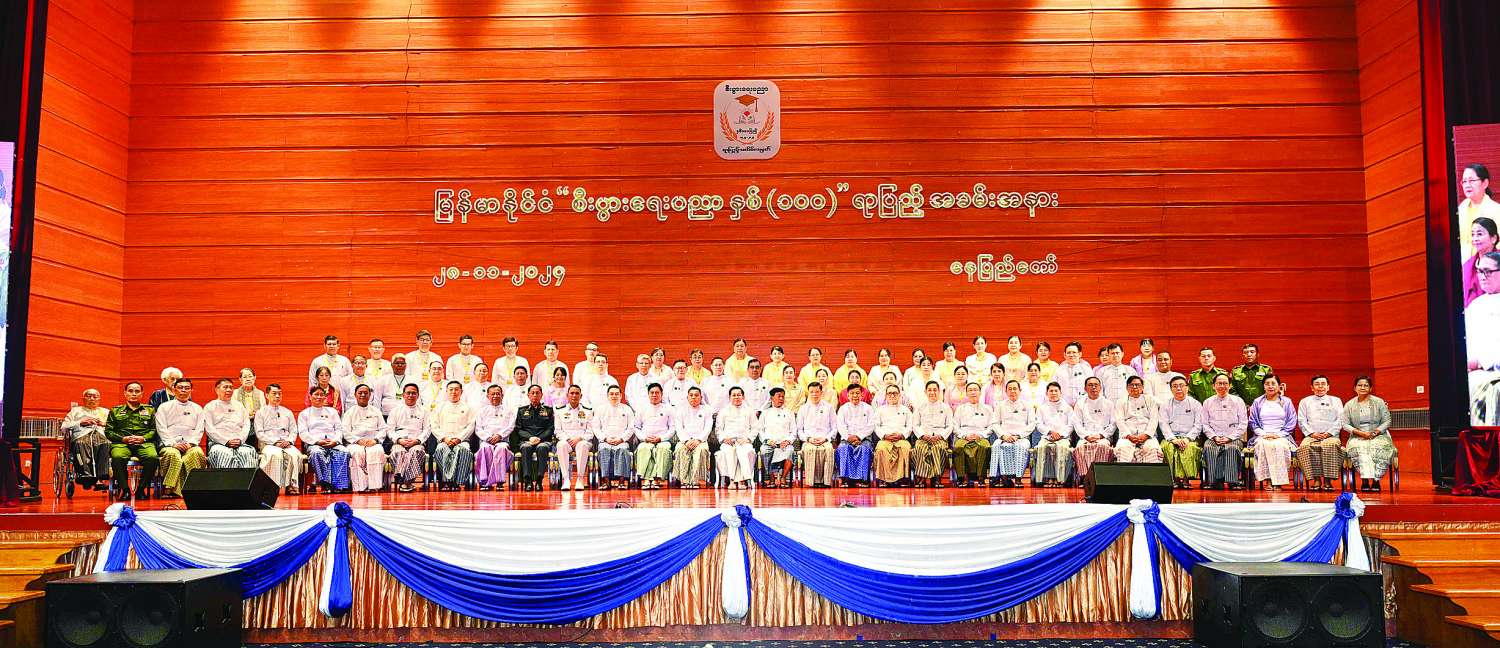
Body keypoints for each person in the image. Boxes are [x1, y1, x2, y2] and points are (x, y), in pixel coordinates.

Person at [105, 382, 159, 500]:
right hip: (122, 443)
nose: (133, 394)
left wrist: (143, 438)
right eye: (130, 391)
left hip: (143, 443)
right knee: (117, 457)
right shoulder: (115, 411)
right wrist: (122, 439)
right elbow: (108, 432)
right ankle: (125, 490)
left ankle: (141, 489)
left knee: (152, 457)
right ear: (125, 393)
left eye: (137, 391)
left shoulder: (150, 410)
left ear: (141, 394)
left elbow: (154, 430)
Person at [155, 378, 207, 498]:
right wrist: (173, 443)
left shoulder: (197, 408)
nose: (183, 390)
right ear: (174, 389)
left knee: (197, 453)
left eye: (187, 388)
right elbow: (161, 428)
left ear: (191, 390)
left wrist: (191, 443)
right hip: (169, 445)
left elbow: (200, 429)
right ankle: (170, 488)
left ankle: (194, 488)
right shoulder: (164, 407)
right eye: (180, 387)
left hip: (190, 445)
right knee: (173, 455)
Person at [1343, 376, 1396, 492]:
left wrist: (1375, 432)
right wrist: (1360, 433)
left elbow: (1387, 421)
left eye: (1366, 385)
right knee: (1359, 448)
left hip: (1378, 434)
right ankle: (1365, 480)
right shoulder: (1349, 404)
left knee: (1378, 447)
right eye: (1360, 385)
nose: (1363, 387)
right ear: (1355, 388)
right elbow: (1345, 424)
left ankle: (1376, 481)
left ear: (1371, 388)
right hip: (1357, 435)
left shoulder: (1379, 402)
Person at [1296, 375, 1345, 491]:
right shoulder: (1305, 401)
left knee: (1330, 445)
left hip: (1331, 435)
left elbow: (1341, 419)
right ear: (1312, 387)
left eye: (1323, 384)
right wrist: (1312, 433)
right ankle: (1316, 479)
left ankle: (1328, 480)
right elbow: (1301, 420)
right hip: (1312, 435)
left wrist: (1329, 433)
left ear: (1328, 387)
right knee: (1304, 447)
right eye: (1317, 384)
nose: (1320, 386)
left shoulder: (1336, 400)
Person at [1201, 373, 1249, 489]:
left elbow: (1243, 423)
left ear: (1230, 385)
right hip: (1214, 437)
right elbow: (1204, 424)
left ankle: (1233, 482)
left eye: (1225, 383)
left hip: (1233, 437)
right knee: (1209, 448)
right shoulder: (1207, 402)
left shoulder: (1238, 401)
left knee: (1231, 448)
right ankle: (1214, 482)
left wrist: (1230, 437)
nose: (1222, 386)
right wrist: (1214, 437)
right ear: (1213, 386)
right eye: (1219, 383)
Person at [1249, 374, 1297, 489]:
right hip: (1262, 435)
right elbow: (1253, 422)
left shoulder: (1286, 402)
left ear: (1279, 386)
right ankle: (1269, 480)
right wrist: (1264, 434)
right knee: (1262, 445)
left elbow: (1292, 421)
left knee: (1280, 446)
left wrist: (1278, 435)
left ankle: (1278, 481)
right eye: (1267, 384)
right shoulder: (1257, 402)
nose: (1270, 386)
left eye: (1273, 383)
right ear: (1263, 386)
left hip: (1282, 435)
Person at [254, 384, 302, 494]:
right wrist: (275, 442)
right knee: (276, 455)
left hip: (286, 443)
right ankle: (273, 487)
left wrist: (289, 441)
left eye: (279, 394)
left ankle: (292, 485)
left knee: (295, 455)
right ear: (267, 395)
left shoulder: (287, 412)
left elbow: (294, 430)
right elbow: (260, 433)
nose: (277, 396)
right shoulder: (261, 412)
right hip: (269, 444)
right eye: (274, 393)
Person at [1159, 376, 1205, 488]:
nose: (1178, 388)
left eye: (1181, 385)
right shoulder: (1165, 405)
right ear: (1171, 389)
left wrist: (1187, 438)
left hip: (1189, 438)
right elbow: (1163, 424)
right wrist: (1173, 439)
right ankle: (1173, 480)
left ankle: (1186, 480)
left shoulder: (1196, 404)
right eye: (1175, 386)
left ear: (1187, 388)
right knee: (1168, 448)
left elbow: (1198, 425)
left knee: (1189, 448)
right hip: (1171, 438)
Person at [428, 381, 476, 490]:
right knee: (441, 450)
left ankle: (457, 482)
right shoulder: (439, 407)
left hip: (462, 441)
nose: (453, 392)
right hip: (444, 440)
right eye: (451, 389)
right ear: (446, 391)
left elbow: (470, 426)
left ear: (461, 391)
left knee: (464, 451)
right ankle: (447, 482)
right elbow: (434, 426)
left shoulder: (468, 408)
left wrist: (459, 439)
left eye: (456, 389)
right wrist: (445, 438)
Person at [62, 389, 111, 489]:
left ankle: (102, 475)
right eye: (89, 396)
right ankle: (85, 475)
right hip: (82, 435)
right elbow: (64, 427)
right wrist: (80, 422)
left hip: (101, 434)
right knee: (81, 443)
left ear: (99, 399)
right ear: (83, 399)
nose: (92, 399)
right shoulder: (75, 411)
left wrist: (104, 424)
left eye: (95, 397)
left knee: (106, 443)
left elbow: (115, 426)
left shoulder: (106, 412)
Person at [341, 384, 387, 492]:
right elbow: (345, 430)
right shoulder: (350, 412)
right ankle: (360, 487)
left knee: (377, 451)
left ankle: (374, 486)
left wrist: (375, 440)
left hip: (373, 442)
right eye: (360, 393)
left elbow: (384, 428)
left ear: (370, 395)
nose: (363, 395)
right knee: (357, 453)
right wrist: (357, 440)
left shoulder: (376, 411)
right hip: (356, 443)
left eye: (365, 393)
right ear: (355, 395)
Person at [203, 378, 257, 469]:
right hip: (219, 444)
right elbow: (209, 429)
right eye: (225, 387)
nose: (229, 390)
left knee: (248, 453)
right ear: (217, 390)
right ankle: (226, 483)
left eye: (231, 387)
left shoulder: (239, 405)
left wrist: (240, 440)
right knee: (224, 454)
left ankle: (246, 483)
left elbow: (246, 425)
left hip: (239, 442)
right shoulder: (210, 407)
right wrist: (226, 441)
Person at [385, 384, 429, 492]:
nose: (411, 395)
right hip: (399, 441)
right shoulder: (395, 410)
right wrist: (399, 440)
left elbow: (427, 429)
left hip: (417, 441)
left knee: (416, 451)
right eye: (408, 393)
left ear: (418, 395)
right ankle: (407, 483)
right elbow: (390, 429)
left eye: (414, 393)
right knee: (397, 452)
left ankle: (402, 479)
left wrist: (417, 440)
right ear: (403, 395)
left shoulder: (424, 411)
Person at [511, 384, 555, 492]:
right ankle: (528, 481)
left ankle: (539, 481)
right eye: (532, 393)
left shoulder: (548, 410)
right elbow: (518, 429)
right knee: (526, 447)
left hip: (543, 441)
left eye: (537, 393)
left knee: (542, 448)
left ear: (541, 395)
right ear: (528, 395)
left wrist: (539, 438)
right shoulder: (522, 410)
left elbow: (550, 428)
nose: (535, 395)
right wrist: (530, 438)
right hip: (527, 440)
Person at [989, 380, 1033, 487]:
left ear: (1020, 390)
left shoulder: (1027, 405)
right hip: (1005, 437)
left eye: (1015, 389)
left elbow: (1032, 424)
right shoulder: (1000, 405)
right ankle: (1003, 478)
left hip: (1021, 438)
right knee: (998, 446)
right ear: (1006, 391)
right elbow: (995, 423)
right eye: (1010, 389)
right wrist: (1004, 436)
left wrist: (1018, 436)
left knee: (1021, 447)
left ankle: (1018, 479)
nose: (1012, 391)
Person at [473, 384, 516, 491]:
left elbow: (511, 426)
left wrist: (500, 435)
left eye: (498, 394)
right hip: (486, 440)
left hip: (502, 441)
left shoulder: (508, 410)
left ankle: (499, 481)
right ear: (488, 396)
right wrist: (488, 438)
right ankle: (484, 482)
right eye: (492, 394)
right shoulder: (482, 411)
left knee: (501, 449)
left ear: (502, 395)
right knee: (484, 448)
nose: (495, 396)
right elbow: (478, 429)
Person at [1071, 377, 1116, 480]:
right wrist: (1086, 436)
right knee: (1080, 449)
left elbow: (1113, 424)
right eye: (1090, 385)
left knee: (1102, 447)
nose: (1093, 387)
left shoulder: (1108, 404)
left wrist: (1101, 435)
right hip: (1085, 436)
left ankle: (1100, 478)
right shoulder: (1080, 404)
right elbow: (1077, 423)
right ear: (1085, 388)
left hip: (1103, 437)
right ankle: (1085, 478)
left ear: (1100, 387)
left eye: (1096, 385)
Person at [871, 385, 915, 487]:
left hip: (901, 438)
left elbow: (910, 426)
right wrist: (884, 435)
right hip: (885, 438)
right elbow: (876, 426)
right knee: (881, 449)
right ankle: (883, 479)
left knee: (905, 448)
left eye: (895, 393)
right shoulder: (880, 410)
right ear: (886, 396)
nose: (892, 395)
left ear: (899, 395)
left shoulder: (906, 410)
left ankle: (902, 479)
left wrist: (902, 435)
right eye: (889, 393)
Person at [1112, 376, 1163, 464]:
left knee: (1153, 448)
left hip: (1147, 436)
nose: (1135, 387)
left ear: (1142, 387)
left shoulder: (1150, 400)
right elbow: (1119, 421)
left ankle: (1151, 477)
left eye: (1138, 385)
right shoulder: (1121, 402)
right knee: (1122, 449)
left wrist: (1146, 435)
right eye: (1132, 385)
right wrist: (1129, 436)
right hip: (1127, 437)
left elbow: (1154, 419)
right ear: (1127, 387)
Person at [715, 387, 758, 489]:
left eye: (739, 395)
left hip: (744, 441)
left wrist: (747, 439)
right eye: (734, 395)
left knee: (744, 452)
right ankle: (732, 481)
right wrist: (724, 439)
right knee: (729, 452)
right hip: (728, 441)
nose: (736, 397)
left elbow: (755, 428)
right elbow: (718, 429)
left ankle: (742, 481)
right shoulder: (723, 411)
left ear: (743, 397)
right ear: (729, 397)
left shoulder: (749, 411)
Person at [633, 383, 674, 489]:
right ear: (648, 394)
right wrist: (644, 438)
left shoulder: (668, 409)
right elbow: (636, 427)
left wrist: (661, 438)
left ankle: (656, 479)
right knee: (643, 449)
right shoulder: (641, 409)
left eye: (657, 393)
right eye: (652, 393)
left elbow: (672, 428)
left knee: (663, 449)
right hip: (646, 440)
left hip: (663, 439)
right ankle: (647, 479)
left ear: (661, 394)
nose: (654, 395)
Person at [593, 385, 635, 490]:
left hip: (621, 440)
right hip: (605, 440)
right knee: (603, 449)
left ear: (621, 396)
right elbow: (596, 427)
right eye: (611, 394)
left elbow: (631, 428)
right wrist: (605, 439)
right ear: (607, 396)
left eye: (617, 394)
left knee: (622, 449)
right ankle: (606, 482)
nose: (614, 396)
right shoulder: (600, 409)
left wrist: (621, 439)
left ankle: (621, 481)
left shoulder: (627, 409)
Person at [672, 387, 715, 488]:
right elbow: (679, 427)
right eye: (691, 395)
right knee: (680, 449)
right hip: (684, 440)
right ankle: (684, 481)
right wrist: (686, 440)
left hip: (701, 440)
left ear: (701, 397)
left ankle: (695, 480)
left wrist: (699, 440)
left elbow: (708, 427)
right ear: (687, 397)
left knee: (702, 450)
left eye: (696, 395)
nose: (693, 397)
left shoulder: (707, 410)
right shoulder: (681, 410)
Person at [797, 382, 838, 488]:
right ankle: (812, 482)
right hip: (809, 440)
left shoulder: (829, 408)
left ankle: (826, 482)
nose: (814, 394)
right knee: (810, 450)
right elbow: (799, 430)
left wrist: (826, 438)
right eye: (812, 392)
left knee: (828, 450)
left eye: (817, 391)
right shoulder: (803, 408)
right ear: (808, 393)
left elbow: (834, 428)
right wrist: (808, 439)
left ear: (821, 392)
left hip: (825, 439)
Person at [1033, 382, 1074, 487]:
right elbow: (1038, 424)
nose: (1053, 393)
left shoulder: (1068, 408)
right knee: (1041, 448)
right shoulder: (1041, 408)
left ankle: (1060, 479)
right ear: (1047, 393)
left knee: (1061, 448)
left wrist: (1060, 435)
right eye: (1051, 391)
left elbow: (1071, 425)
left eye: (1056, 391)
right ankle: (1046, 478)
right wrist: (1050, 432)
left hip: (1063, 438)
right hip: (1047, 437)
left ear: (1060, 392)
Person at [953, 382, 994, 487]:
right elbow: (955, 426)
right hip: (964, 435)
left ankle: (981, 478)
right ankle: (963, 478)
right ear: (966, 393)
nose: (973, 392)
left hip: (981, 435)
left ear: (980, 392)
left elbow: (991, 426)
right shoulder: (960, 408)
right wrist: (964, 436)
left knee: (984, 446)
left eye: (975, 390)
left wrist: (980, 435)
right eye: (970, 390)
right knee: (958, 447)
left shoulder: (988, 408)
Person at [913, 381, 953, 488]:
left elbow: (950, 426)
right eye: (929, 390)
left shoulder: (946, 407)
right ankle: (920, 478)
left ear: (939, 392)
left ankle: (937, 478)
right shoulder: (920, 407)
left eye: (935, 390)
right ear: (925, 392)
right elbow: (915, 425)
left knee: (938, 448)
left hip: (939, 437)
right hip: (923, 437)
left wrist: (940, 436)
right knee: (920, 448)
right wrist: (922, 435)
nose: (932, 392)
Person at [835, 384, 876, 486]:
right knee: (843, 449)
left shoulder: (868, 408)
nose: (855, 396)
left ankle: (863, 479)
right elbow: (841, 426)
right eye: (852, 393)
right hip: (847, 438)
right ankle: (846, 479)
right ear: (848, 396)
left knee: (864, 449)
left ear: (862, 395)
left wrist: (859, 437)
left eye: (857, 393)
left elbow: (871, 426)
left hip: (864, 439)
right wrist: (849, 438)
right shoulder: (843, 409)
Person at [554, 385, 594, 490]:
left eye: (577, 393)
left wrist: (580, 438)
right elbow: (558, 431)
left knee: (582, 445)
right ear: (567, 395)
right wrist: (567, 439)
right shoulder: (560, 410)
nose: (574, 395)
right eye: (572, 393)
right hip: (567, 440)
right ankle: (566, 479)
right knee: (560, 445)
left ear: (581, 396)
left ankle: (580, 479)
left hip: (583, 440)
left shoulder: (588, 411)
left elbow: (590, 431)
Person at [1460, 163, 1500, 263]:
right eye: (1464, 181)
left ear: (1485, 183)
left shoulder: (1496, 210)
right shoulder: (1461, 209)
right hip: (1464, 266)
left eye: (1472, 180)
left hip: (1488, 266)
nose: (1467, 185)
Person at [757, 388, 797, 487]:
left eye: (783, 396)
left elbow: (794, 431)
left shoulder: (789, 413)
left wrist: (788, 441)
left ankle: (783, 477)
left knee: (790, 450)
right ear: (771, 398)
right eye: (778, 396)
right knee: (763, 450)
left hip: (784, 442)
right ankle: (771, 478)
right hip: (770, 442)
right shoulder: (765, 413)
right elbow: (760, 430)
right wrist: (767, 440)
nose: (781, 398)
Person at [1465, 218, 1500, 308]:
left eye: (1479, 234)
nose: (1475, 239)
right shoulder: (1467, 266)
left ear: (1493, 238)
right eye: (1473, 235)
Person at [1054, 342, 1093, 406]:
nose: (1071, 355)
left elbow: (1091, 388)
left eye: (1074, 352)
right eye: (1068, 353)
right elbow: (1054, 388)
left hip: (1083, 405)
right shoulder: (1059, 370)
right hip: (1064, 407)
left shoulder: (1087, 370)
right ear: (1064, 355)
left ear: (1080, 354)